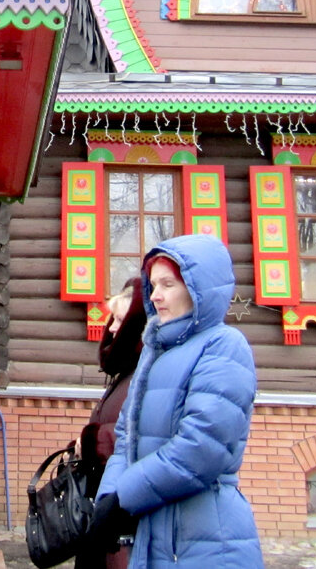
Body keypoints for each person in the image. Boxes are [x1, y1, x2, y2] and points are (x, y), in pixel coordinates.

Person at [92, 234, 263, 568]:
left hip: (208, 539)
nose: (155, 296)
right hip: (155, 533)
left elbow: (202, 448)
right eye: (153, 284)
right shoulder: (156, 350)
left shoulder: (224, 346)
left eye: (167, 284)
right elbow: (127, 436)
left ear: (199, 288)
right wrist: (108, 501)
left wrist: (124, 498)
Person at [74, 277, 147, 569]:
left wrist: (93, 440)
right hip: (107, 503)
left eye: (119, 320)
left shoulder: (145, 371)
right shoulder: (128, 371)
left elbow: (145, 437)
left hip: (123, 515)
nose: (112, 328)